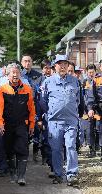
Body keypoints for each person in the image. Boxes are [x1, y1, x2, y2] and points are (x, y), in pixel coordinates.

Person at [40, 54, 80, 186]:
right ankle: (58, 174)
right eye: (59, 64)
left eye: (65, 64)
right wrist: (50, 113)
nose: (62, 66)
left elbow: (78, 101)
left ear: (68, 66)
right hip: (54, 122)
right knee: (56, 149)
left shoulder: (74, 81)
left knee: (70, 146)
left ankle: (72, 174)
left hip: (71, 121)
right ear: (54, 66)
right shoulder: (47, 82)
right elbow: (43, 102)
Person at [0, 63, 35, 186]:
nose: (15, 75)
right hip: (7, 125)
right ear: (8, 75)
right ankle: (13, 174)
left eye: (17, 72)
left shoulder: (27, 89)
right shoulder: (3, 89)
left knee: (22, 149)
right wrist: (0, 124)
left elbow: (32, 109)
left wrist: (32, 124)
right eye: (13, 73)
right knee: (9, 149)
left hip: (22, 124)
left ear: (20, 74)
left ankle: (22, 176)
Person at [21, 54, 42, 161]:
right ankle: (23, 154)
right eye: (25, 61)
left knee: (37, 131)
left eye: (29, 61)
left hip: (35, 106)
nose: (27, 63)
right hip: (22, 108)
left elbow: (41, 92)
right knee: (23, 131)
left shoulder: (38, 76)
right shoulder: (18, 75)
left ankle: (35, 153)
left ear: (32, 62)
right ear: (21, 62)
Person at [82, 64, 100, 157]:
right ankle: (91, 149)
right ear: (86, 73)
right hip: (87, 109)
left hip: (98, 109)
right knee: (89, 129)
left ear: (95, 72)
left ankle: (97, 145)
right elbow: (83, 95)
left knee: (98, 128)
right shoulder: (85, 82)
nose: (91, 74)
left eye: (93, 72)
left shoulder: (99, 81)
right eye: (89, 72)